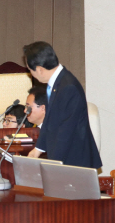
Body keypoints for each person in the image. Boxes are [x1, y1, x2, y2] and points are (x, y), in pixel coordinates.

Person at [25, 41, 101, 169]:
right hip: (66, 158)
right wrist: (37, 150)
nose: (31, 74)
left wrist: (53, 164)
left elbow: (65, 132)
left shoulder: (68, 87)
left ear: (40, 70)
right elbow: (49, 120)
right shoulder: (57, 83)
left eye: (30, 70)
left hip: (75, 162)